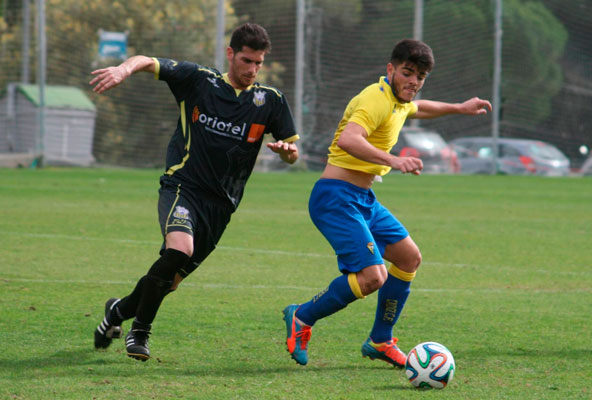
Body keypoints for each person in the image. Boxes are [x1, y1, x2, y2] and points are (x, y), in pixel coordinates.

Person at [90, 23, 299, 361]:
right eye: (247, 60)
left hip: (221, 207)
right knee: (179, 249)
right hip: (182, 186)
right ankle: (139, 331)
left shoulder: (269, 101)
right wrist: (122, 68)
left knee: (168, 281)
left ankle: (117, 311)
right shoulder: (199, 80)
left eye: (259, 63)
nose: (252, 69)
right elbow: (148, 60)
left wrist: (288, 154)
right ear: (230, 53)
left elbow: (292, 150)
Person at [283, 39, 491, 366]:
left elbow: (419, 108)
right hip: (335, 197)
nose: (414, 82)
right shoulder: (374, 99)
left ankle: (381, 340)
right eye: (408, 73)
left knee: (408, 258)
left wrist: (459, 107)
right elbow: (350, 139)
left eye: (420, 77)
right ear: (391, 69)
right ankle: (302, 317)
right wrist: (394, 160)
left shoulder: (400, 100)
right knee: (372, 277)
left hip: (363, 199)